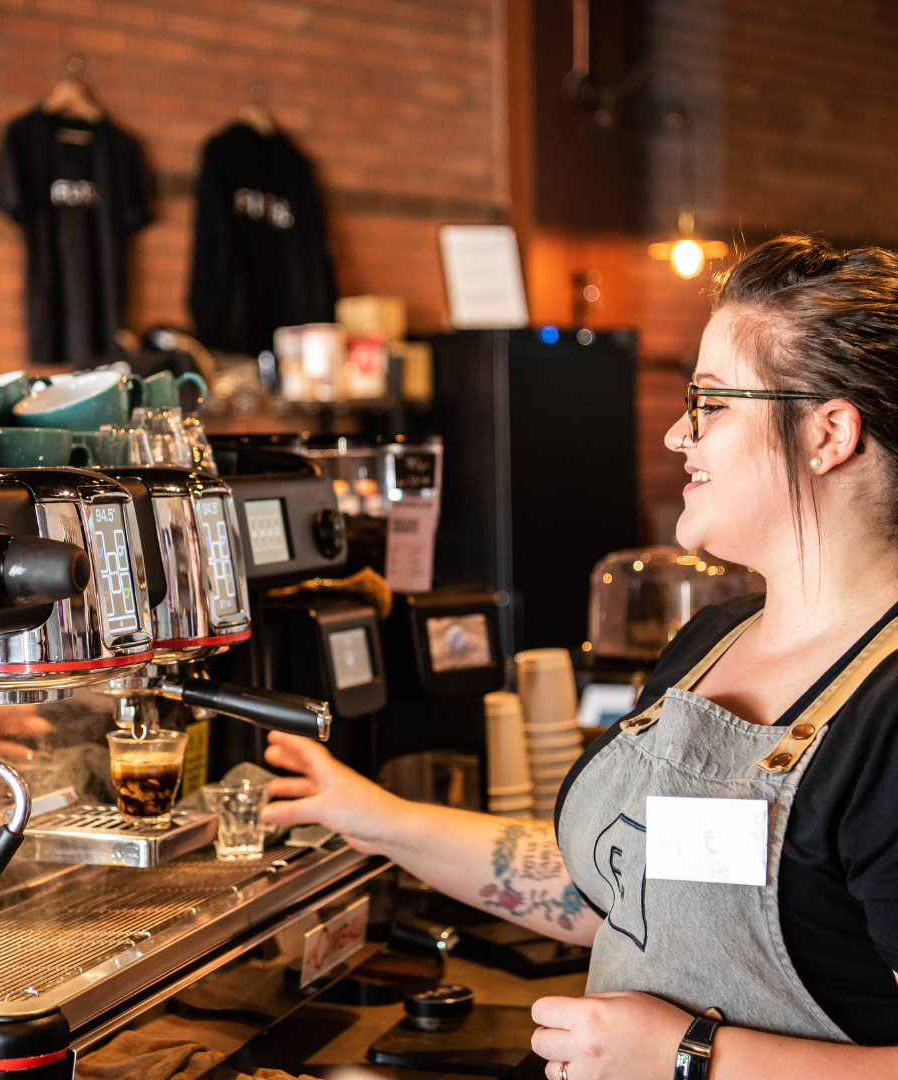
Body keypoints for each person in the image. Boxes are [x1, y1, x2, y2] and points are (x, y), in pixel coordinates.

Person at [262, 236, 898, 1078]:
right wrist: (366, 813)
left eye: (710, 402)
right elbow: (617, 896)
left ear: (828, 433)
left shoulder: (888, 711)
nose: (679, 433)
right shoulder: (714, 639)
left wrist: (688, 1058)